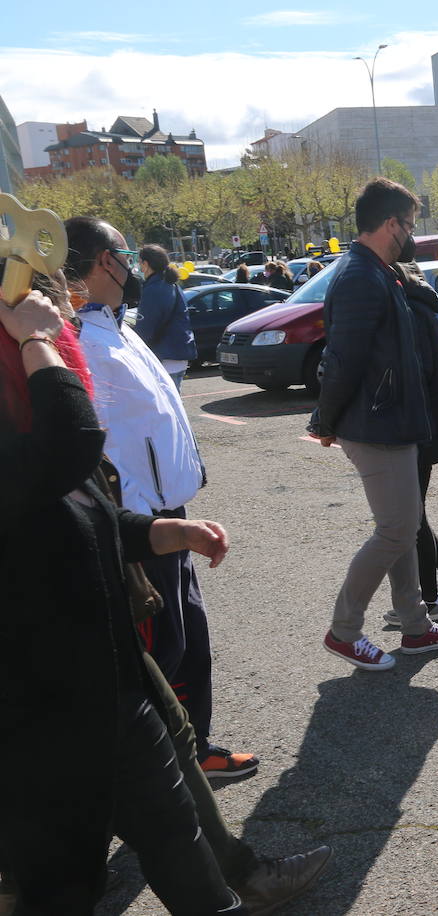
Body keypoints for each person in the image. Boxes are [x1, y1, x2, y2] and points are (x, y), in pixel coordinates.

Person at [0, 277, 248, 914]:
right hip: (35, 711)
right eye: (36, 300)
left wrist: (167, 532)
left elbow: (81, 514)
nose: (59, 313)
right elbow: (67, 447)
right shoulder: (32, 415)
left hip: (107, 687)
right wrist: (35, 341)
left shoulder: (28, 412)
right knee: (60, 890)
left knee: (183, 850)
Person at [65, 217, 258, 780]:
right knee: (159, 651)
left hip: (168, 512)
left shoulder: (114, 326)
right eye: (125, 254)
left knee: (188, 638)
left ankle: (192, 755)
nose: (133, 266)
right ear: (106, 261)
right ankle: (142, 778)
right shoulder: (77, 336)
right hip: (139, 523)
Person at [312, 177, 438, 670]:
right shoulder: (361, 276)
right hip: (376, 425)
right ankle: (344, 631)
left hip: (391, 421)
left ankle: (416, 628)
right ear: (389, 224)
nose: (411, 234)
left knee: (401, 527)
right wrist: (325, 420)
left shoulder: (380, 271)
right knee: (397, 530)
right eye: (408, 224)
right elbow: (342, 359)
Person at [382, 260, 438, 627]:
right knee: (413, 512)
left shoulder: (409, 312)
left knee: (409, 515)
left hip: (418, 427)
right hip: (425, 425)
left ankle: (431, 599)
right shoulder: (418, 306)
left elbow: (411, 376)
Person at [133, 244, 198, 389]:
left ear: (146, 264)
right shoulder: (170, 284)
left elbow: (146, 327)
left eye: (140, 262)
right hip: (177, 354)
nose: (139, 267)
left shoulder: (154, 288)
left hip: (164, 356)